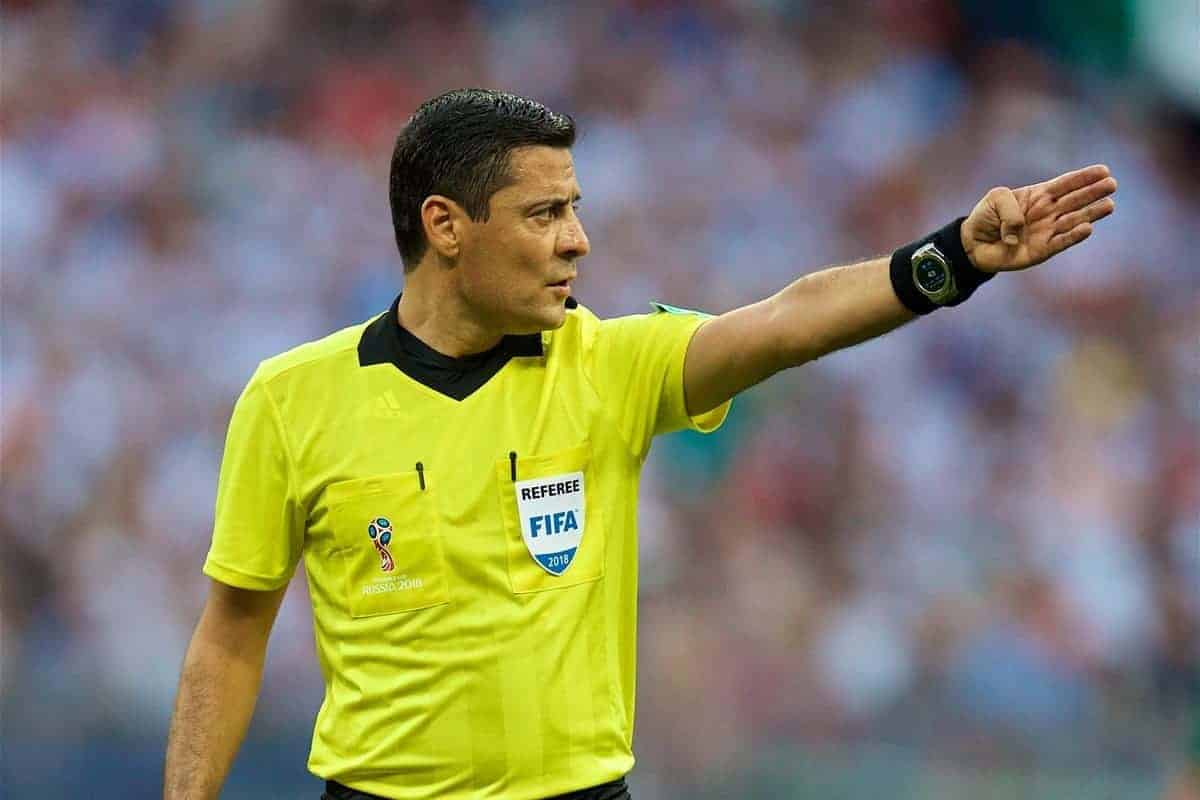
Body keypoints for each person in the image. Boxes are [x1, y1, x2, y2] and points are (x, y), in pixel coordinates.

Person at [162, 88, 1118, 800]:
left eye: (574, 208)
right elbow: (230, 638)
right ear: (445, 227)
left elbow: (788, 322)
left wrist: (951, 257)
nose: (578, 240)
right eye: (544, 214)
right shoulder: (292, 399)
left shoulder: (609, 365)